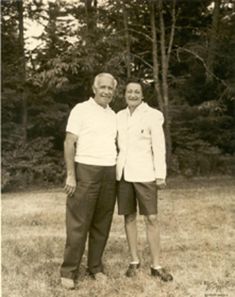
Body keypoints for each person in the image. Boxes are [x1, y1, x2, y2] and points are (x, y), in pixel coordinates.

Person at [60, 73, 118, 289]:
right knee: (78, 223)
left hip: (109, 171)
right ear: (94, 88)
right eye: (102, 87)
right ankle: (68, 271)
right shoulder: (81, 109)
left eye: (110, 88)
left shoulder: (113, 115)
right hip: (85, 170)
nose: (106, 91)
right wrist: (71, 174)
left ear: (114, 91)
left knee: (102, 222)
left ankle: (95, 267)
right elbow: (69, 142)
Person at [116, 80, 173, 282]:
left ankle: (156, 266)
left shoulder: (153, 115)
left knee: (152, 218)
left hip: (146, 174)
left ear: (142, 94)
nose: (132, 95)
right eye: (129, 91)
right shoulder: (119, 116)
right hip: (123, 174)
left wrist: (160, 174)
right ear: (124, 94)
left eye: (137, 91)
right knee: (129, 217)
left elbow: (159, 147)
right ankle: (134, 261)